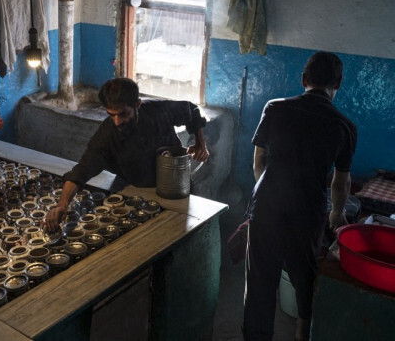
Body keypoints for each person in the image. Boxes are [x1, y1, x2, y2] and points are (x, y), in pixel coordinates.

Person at [242, 52, 357, 341]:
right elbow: (340, 184)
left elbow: (258, 163)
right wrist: (336, 213)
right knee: (305, 283)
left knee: (259, 284)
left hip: (266, 206)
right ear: (339, 83)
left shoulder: (275, 108)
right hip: (307, 212)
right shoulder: (345, 126)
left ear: (303, 79)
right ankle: (302, 336)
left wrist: (268, 194)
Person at [43, 77, 210, 232]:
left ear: (137, 104)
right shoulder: (107, 135)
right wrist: (62, 205)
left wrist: (200, 144)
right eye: (111, 115)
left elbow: (192, 110)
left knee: (182, 230)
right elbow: (80, 172)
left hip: (175, 185)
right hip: (137, 188)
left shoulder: (158, 112)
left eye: (123, 114)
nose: (117, 121)